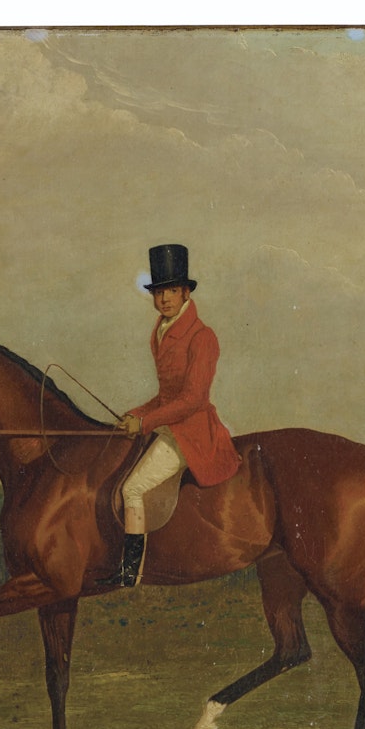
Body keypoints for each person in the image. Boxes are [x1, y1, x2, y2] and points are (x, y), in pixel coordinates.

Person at [98, 244, 241, 588]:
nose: (164, 299)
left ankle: (131, 572)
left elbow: (193, 399)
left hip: (191, 433)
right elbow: (166, 396)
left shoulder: (202, 336)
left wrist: (145, 422)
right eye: (158, 292)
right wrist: (134, 414)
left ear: (186, 292)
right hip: (169, 426)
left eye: (172, 291)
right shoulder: (161, 331)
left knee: (132, 488)